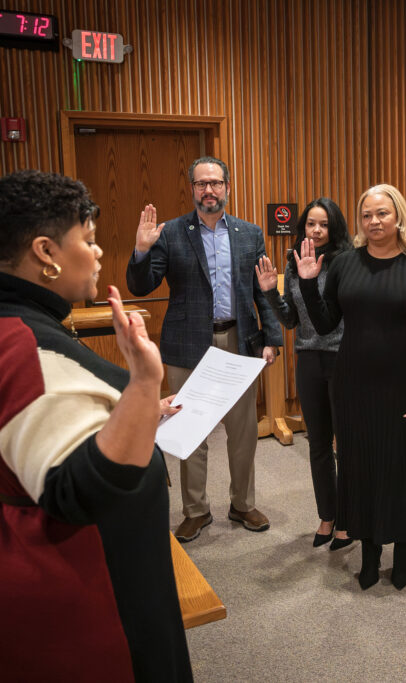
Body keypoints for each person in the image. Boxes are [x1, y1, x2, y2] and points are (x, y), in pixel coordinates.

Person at [0, 170, 192, 680]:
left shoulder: (21, 322)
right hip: (93, 600)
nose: (99, 252)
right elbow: (79, 492)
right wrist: (145, 384)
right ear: (45, 251)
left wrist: (138, 403)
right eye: (87, 239)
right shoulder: (22, 344)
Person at [126, 156, 283, 542]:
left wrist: (271, 337)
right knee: (188, 427)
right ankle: (195, 510)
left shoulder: (250, 234)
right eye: (201, 184)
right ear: (192, 189)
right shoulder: (172, 232)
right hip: (188, 343)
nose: (208, 190)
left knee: (243, 430)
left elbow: (261, 291)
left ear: (228, 187)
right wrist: (142, 250)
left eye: (215, 183)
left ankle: (242, 503)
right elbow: (141, 286)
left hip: (239, 342)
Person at [298, 184, 406, 591]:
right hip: (353, 383)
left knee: (400, 469)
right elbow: (325, 325)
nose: (374, 222)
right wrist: (308, 283)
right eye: (367, 215)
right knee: (360, 467)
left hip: (402, 383)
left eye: (382, 214)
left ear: (399, 217)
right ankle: (370, 550)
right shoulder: (344, 264)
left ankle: (401, 554)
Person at [255, 198, 352, 550]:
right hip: (308, 359)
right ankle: (327, 515)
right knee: (319, 444)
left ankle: (349, 519)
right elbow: (292, 319)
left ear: (334, 228)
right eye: (311, 223)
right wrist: (268, 293)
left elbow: (334, 320)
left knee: (348, 444)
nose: (316, 230)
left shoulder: (345, 262)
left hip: (343, 359)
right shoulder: (295, 262)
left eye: (323, 224)